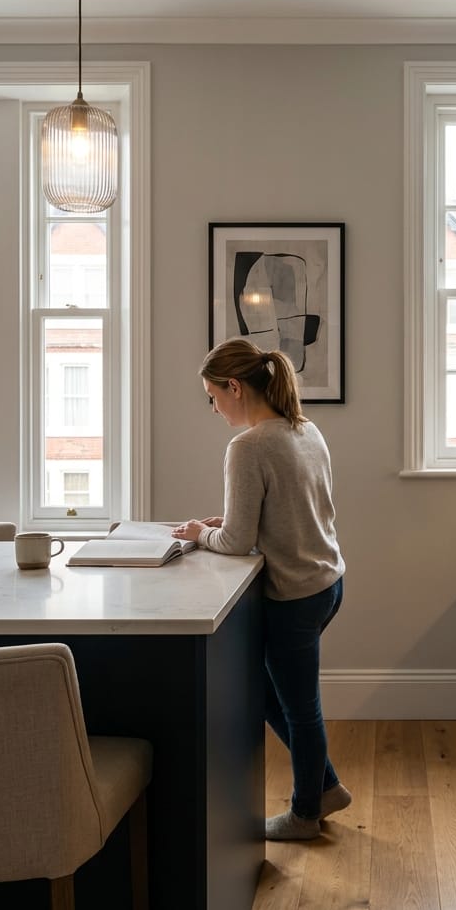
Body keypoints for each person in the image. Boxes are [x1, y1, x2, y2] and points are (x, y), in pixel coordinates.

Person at [173, 337, 348, 841]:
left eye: (213, 396)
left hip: (292, 596)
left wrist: (200, 534)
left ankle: (305, 815)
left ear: (234, 387)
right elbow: (288, 508)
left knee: (299, 708)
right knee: (272, 695)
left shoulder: (248, 446)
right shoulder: (305, 429)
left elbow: (236, 542)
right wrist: (226, 523)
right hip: (327, 582)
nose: (213, 408)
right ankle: (328, 787)